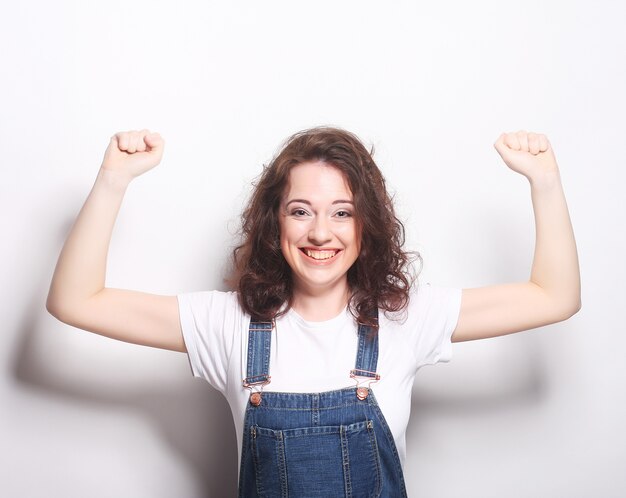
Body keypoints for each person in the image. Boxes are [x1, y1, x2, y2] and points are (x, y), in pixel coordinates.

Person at [46, 127, 580, 497]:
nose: (320, 232)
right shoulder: (227, 325)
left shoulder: (405, 318)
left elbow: (554, 296)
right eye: (300, 211)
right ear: (274, 225)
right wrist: (113, 180)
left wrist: (546, 182)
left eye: (341, 213)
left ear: (365, 226)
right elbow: (75, 301)